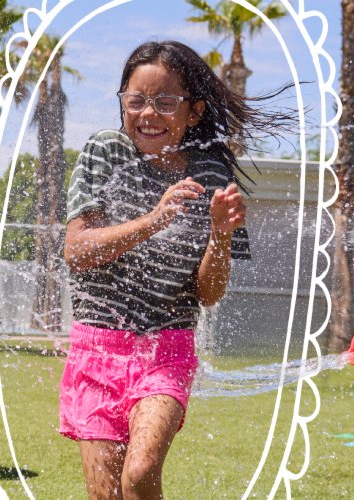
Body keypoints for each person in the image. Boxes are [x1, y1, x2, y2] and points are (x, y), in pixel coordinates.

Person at [59, 40, 277, 500]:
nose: (148, 114)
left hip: (166, 350)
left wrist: (219, 233)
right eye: (136, 101)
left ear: (193, 111)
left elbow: (209, 293)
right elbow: (76, 250)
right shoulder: (106, 152)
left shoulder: (213, 176)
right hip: (96, 347)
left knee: (139, 473)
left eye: (164, 102)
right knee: (106, 495)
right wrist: (155, 219)